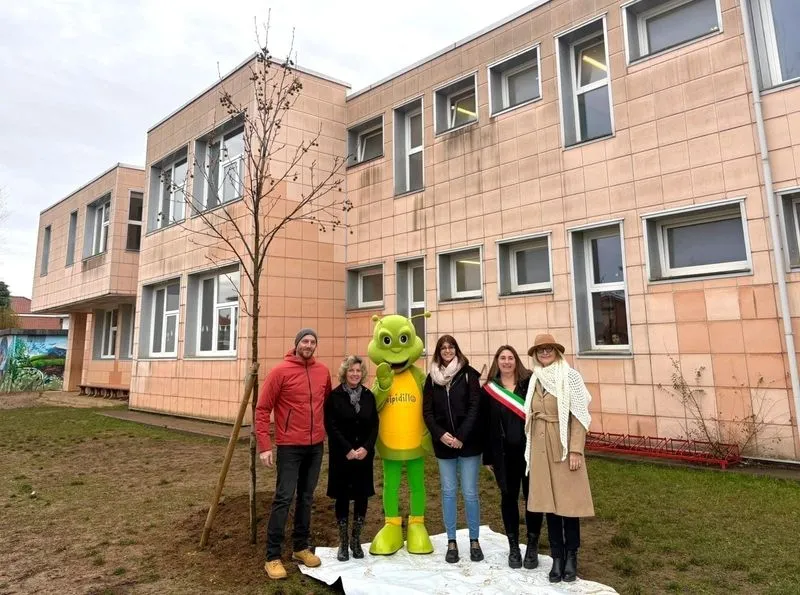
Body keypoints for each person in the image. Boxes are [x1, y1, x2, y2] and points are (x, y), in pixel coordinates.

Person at [255, 328, 332, 581]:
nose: (308, 345)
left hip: (315, 446)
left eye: (312, 342)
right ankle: (272, 556)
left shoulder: (323, 372)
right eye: (305, 341)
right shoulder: (280, 372)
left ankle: (300, 547)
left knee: (307, 497)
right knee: (284, 498)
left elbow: (328, 404)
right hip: (289, 446)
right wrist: (265, 445)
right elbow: (262, 409)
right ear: (296, 344)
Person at [524, 334, 594, 583]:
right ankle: (556, 557)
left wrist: (576, 449)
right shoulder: (535, 378)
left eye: (548, 349)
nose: (544, 353)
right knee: (549, 506)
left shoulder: (569, 376)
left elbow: (580, 416)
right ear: (535, 354)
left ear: (556, 351)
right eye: (540, 350)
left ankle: (571, 556)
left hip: (563, 448)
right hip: (540, 450)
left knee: (569, 506)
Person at [481, 345, 543, 569]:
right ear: (497, 361)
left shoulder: (530, 384)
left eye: (510, 358)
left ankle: (533, 545)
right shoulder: (489, 390)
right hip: (503, 455)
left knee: (533, 498)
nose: (506, 362)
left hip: (530, 452)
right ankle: (514, 546)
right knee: (508, 497)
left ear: (516, 361)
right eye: (502, 358)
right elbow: (485, 425)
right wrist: (487, 457)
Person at [422, 334, 483, 564]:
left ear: (456, 349)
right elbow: (427, 412)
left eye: (451, 347)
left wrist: (460, 436)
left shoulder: (469, 374)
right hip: (444, 444)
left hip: (468, 444)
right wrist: (441, 435)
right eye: (443, 347)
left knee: (469, 492)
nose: (447, 350)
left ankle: (474, 540)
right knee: (448, 492)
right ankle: (451, 541)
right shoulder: (431, 379)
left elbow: (474, 407)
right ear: (439, 352)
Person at [324, 355, 379, 562]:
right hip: (342, 456)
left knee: (362, 495)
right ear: (344, 373)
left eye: (358, 371)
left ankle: (356, 540)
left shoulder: (368, 396)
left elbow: (374, 424)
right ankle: (343, 543)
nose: (355, 374)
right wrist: (347, 449)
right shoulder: (335, 396)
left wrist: (366, 447)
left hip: (364, 456)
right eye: (351, 371)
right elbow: (331, 425)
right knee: (343, 496)